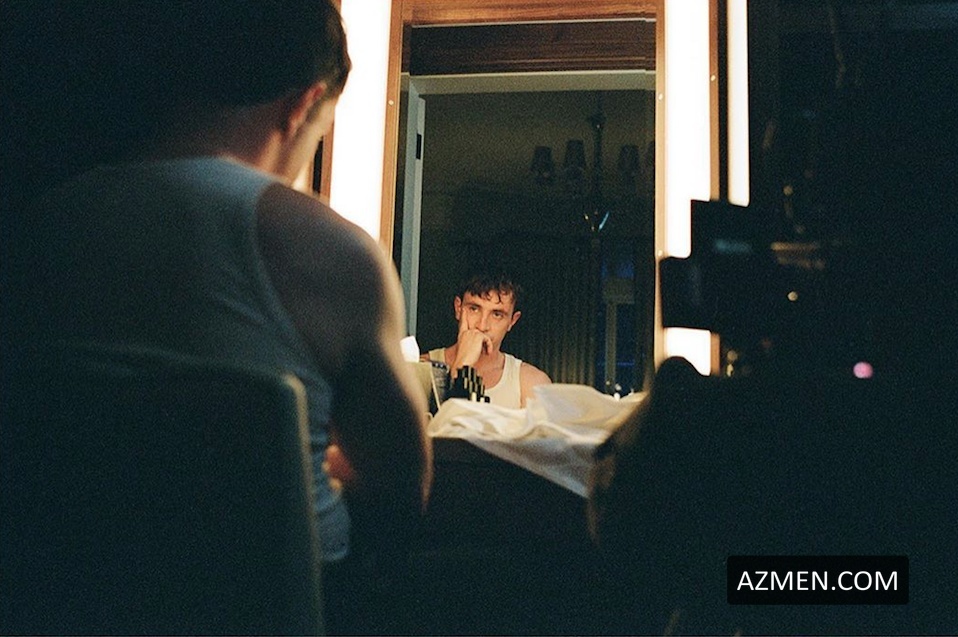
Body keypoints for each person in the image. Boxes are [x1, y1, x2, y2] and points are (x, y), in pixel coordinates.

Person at [1, 2, 431, 633]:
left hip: (53, 606)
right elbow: (399, 491)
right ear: (301, 106)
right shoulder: (330, 250)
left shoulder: (35, 227)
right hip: (270, 610)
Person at [426, 270, 551, 408]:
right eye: (474, 309)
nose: (482, 326)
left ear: (512, 321)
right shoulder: (421, 368)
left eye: (497, 314)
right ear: (458, 308)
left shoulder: (531, 383)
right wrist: (462, 365)